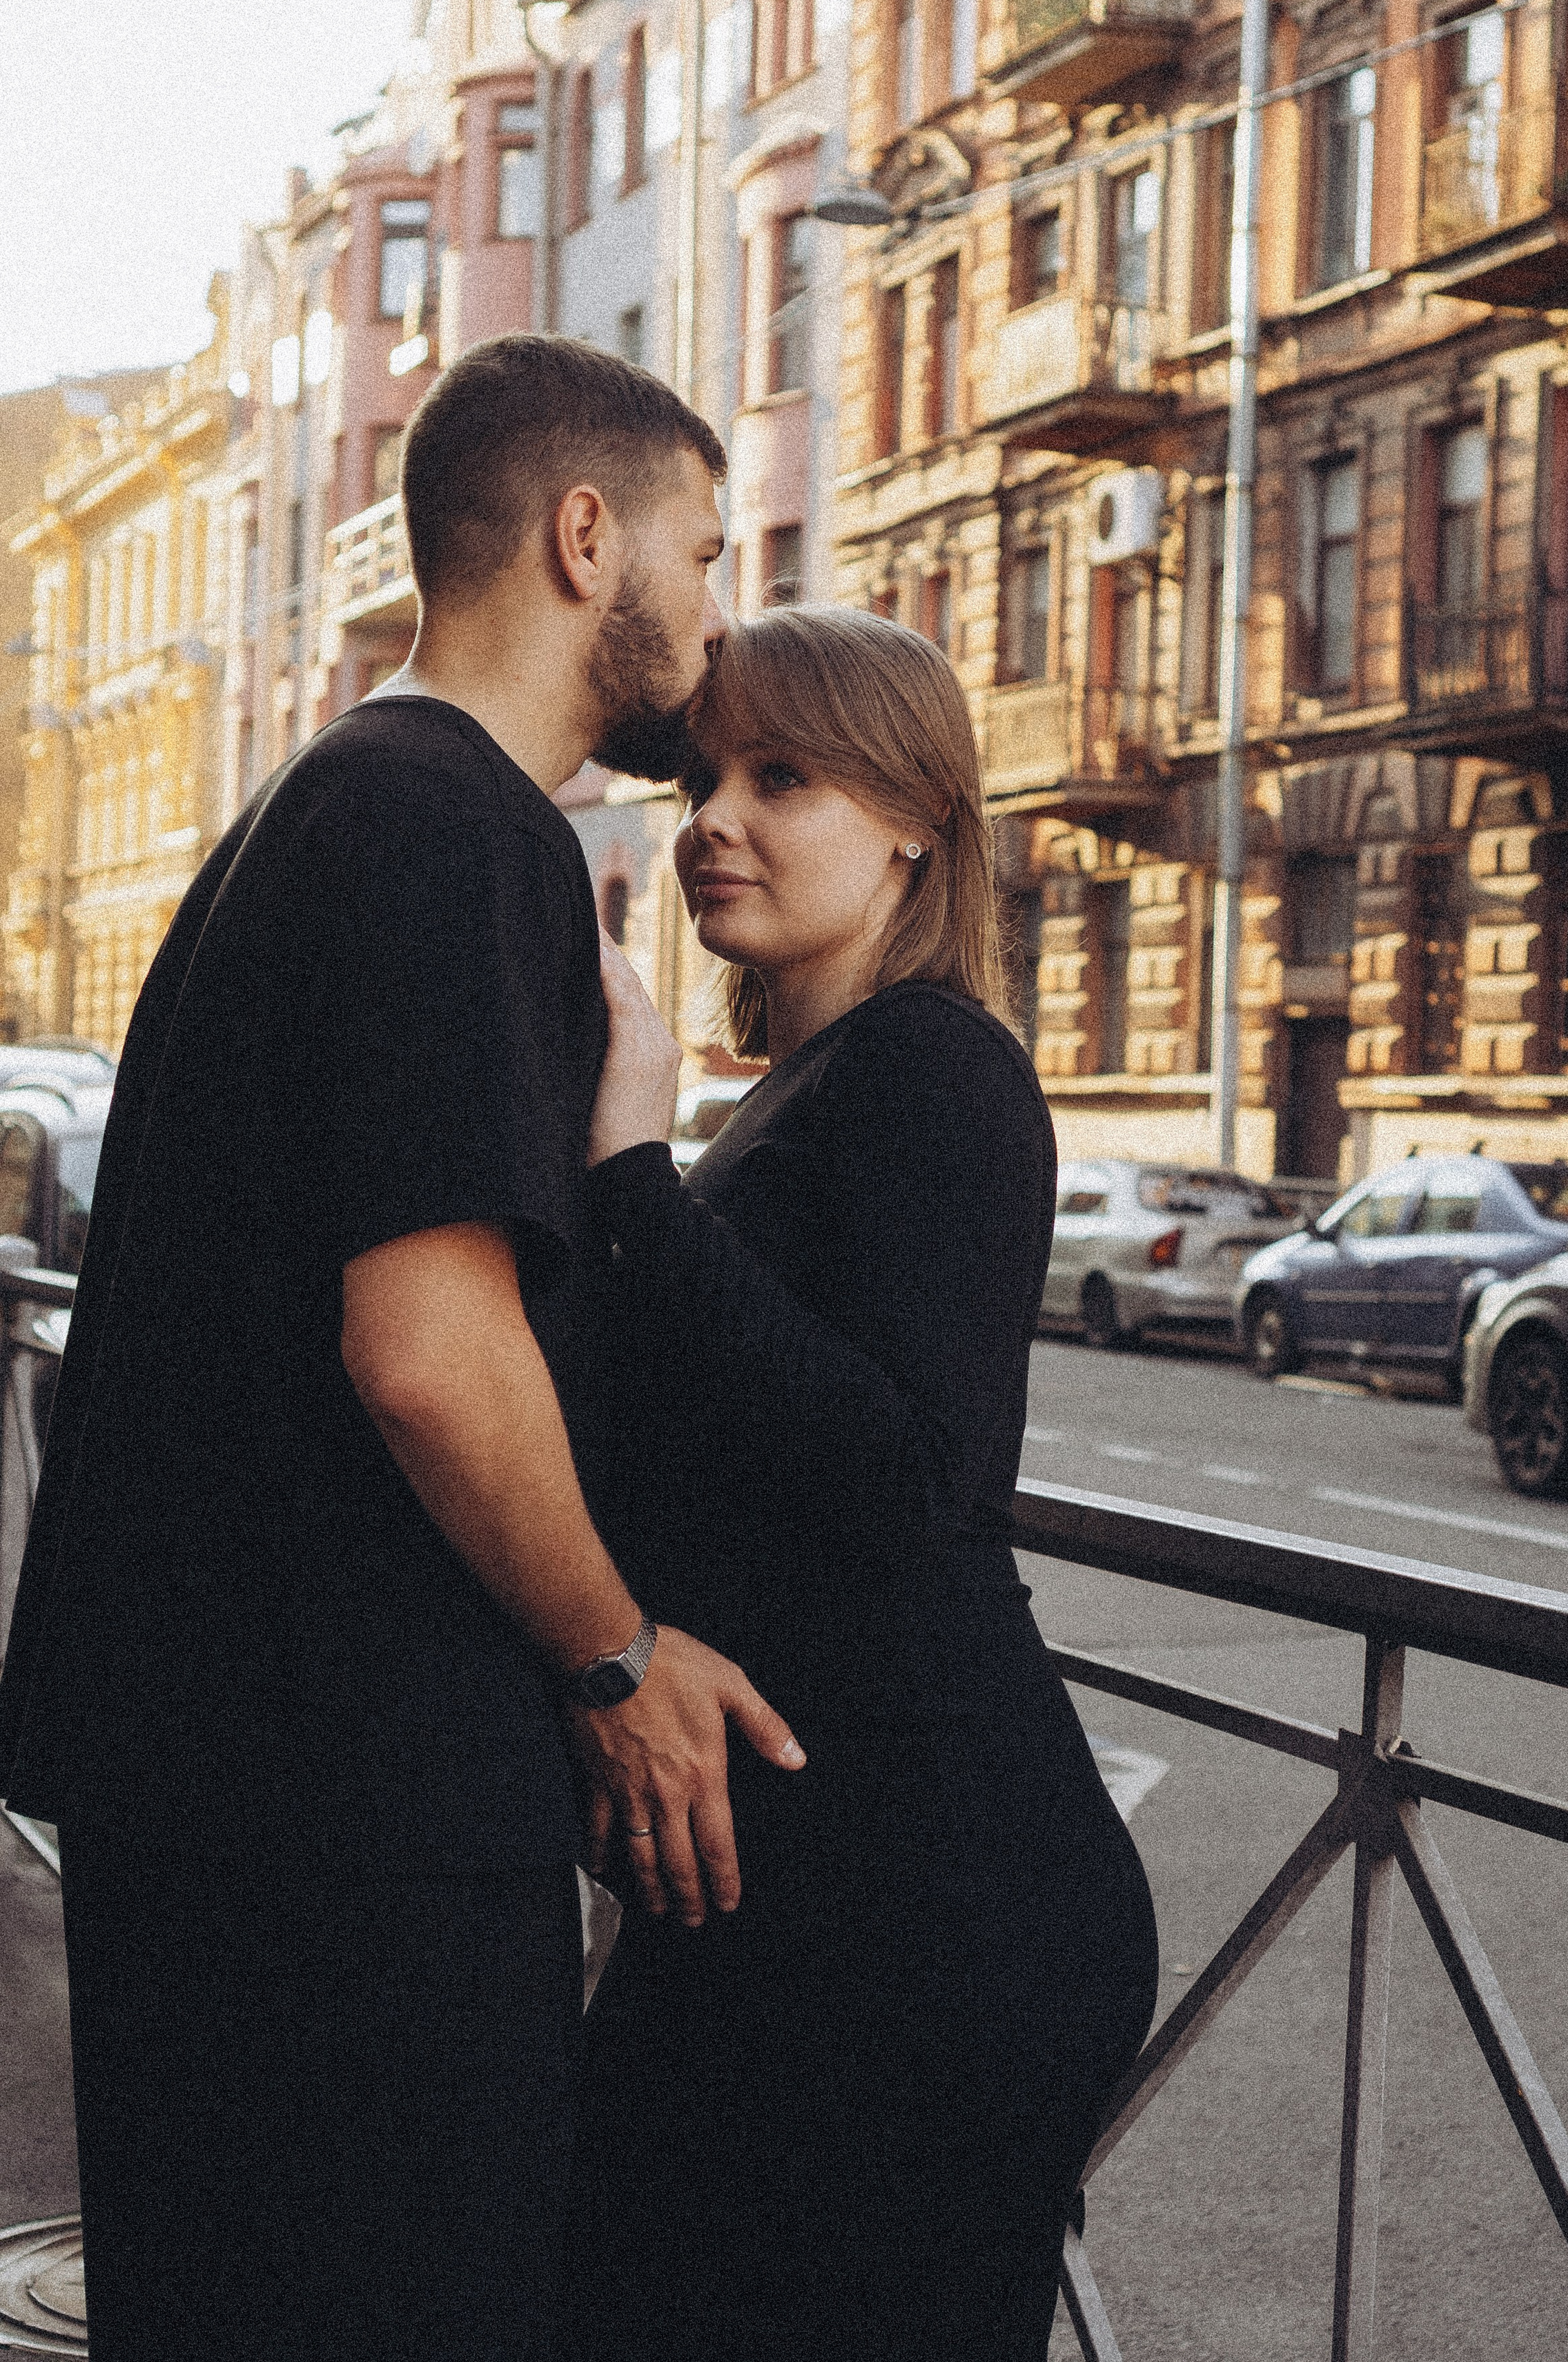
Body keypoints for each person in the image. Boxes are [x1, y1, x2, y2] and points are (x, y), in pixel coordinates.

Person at [0, 335, 803, 2362]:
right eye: (706, 552)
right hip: (344, 1819)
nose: (719, 615)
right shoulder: (461, 833)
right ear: (584, 533)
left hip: (221, 1788)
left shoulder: (324, 802)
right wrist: (616, 1656)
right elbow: (430, 1349)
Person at [567, 605, 1159, 2362]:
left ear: (911, 815)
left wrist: (626, 1179)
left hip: (931, 1919)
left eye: (783, 776)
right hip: (803, 1897)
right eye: (701, 776)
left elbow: (911, 1476)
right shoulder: (804, 1087)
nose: (711, 818)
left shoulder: (937, 1070)